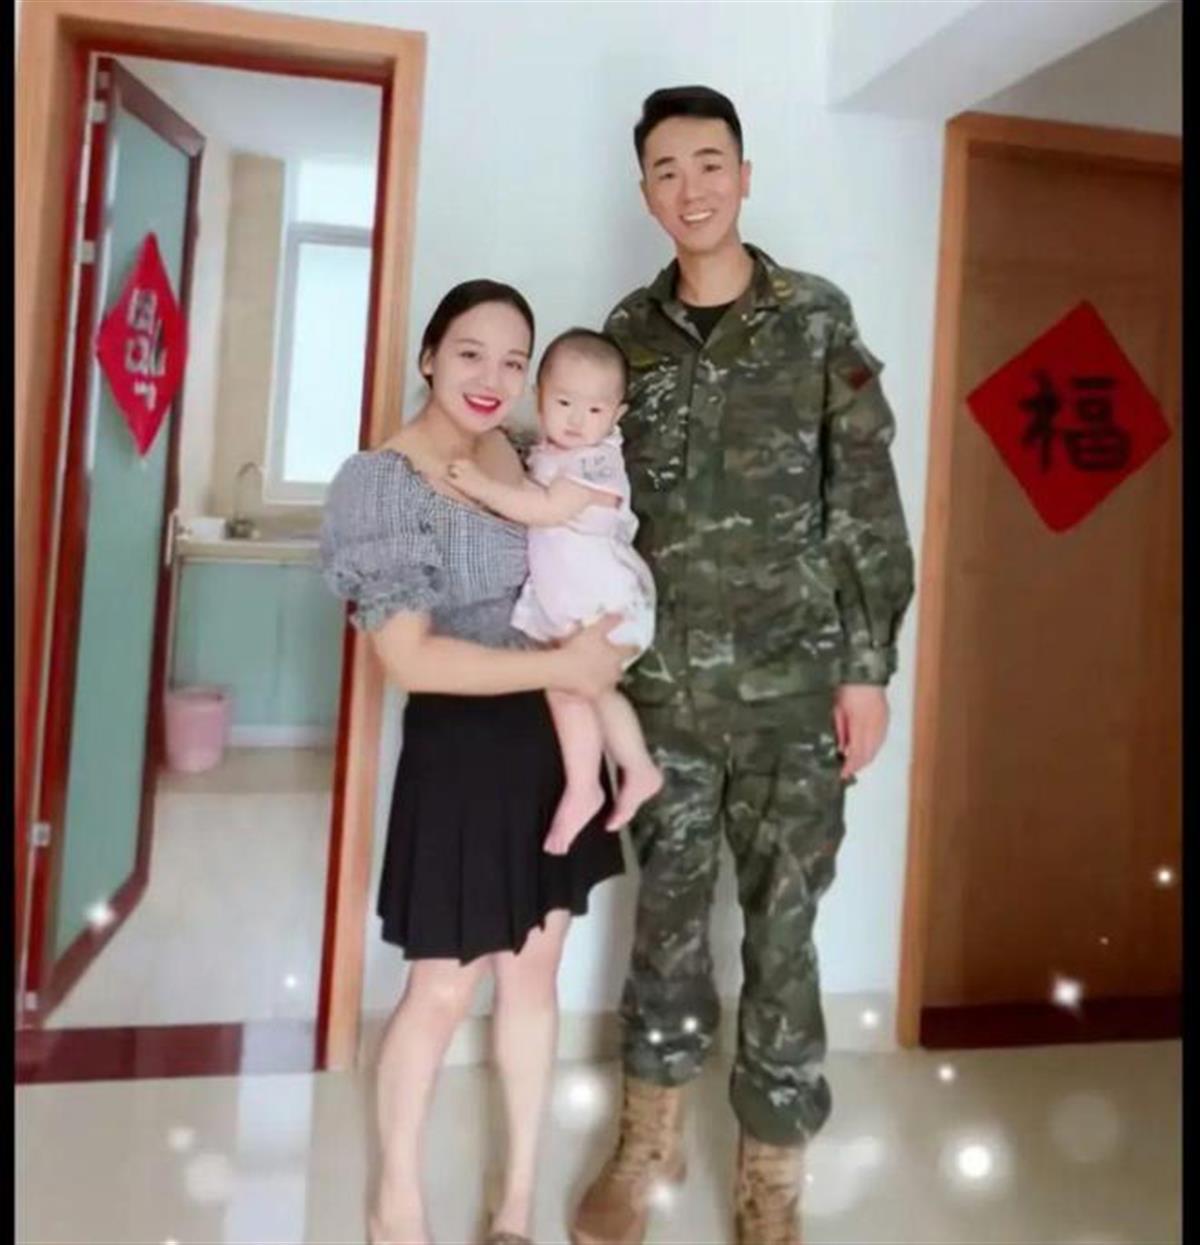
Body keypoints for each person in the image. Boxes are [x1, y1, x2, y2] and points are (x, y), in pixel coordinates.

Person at [570, 87, 916, 1245]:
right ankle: (647, 1143)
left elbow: (864, 499)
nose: (692, 188)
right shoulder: (624, 335)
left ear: (745, 175)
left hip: (793, 691)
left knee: (783, 932)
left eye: (710, 163)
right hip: (661, 696)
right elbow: (592, 503)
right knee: (665, 924)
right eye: (667, 170)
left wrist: (867, 667)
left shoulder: (814, 319)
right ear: (645, 193)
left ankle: (772, 1177)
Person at [320, 280, 633, 1245]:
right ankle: (397, 1204)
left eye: (512, 359)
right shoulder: (383, 480)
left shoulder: (525, 452)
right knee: (444, 989)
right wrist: (564, 665)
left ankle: (516, 1204)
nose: (492, 376)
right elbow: (410, 658)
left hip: (550, 739)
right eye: (469, 353)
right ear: (428, 357)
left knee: (533, 978)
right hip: (461, 753)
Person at [446, 327, 663, 854]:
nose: (577, 419)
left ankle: (632, 769)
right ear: (539, 397)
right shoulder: (550, 450)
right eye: (564, 402)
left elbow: (546, 510)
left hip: (608, 606)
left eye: (595, 409)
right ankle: (588, 786)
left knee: (587, 688)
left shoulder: (596, 462)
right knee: (571, 692)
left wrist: (480, 485)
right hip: (571, 609)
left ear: (616, 415)